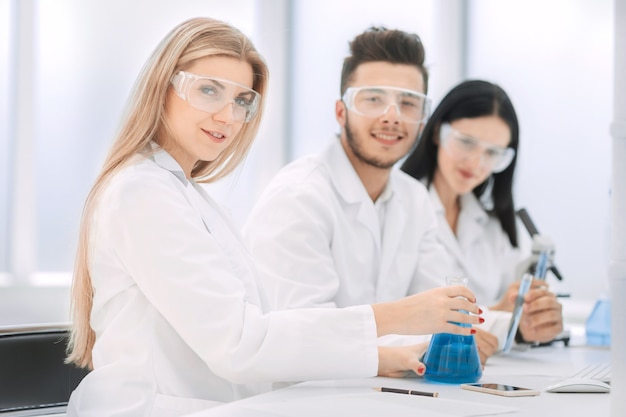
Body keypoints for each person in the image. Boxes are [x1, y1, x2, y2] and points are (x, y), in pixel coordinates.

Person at [65, 18, 482, 417]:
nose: (228, 116)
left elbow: (262, 333)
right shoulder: (143, 192)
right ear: (162, 88)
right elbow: (239, 345)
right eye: (209, 91)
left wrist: (382, 355)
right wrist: (396, 318)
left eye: (241, 101)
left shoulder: (187, 194)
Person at [242, 27, 488, 354]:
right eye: (373, 99)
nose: (392, 117)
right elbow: (303, 334)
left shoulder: (414, 199)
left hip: (377, 392)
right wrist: (411, 337)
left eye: (408, 103)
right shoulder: (299, 197)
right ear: (341, 112)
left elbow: (440, 310)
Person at [400, 79, 563, 348]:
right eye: (466, 142)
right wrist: (498, 315)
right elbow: (401, 314)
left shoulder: (491, 226)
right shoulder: (401, 208)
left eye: (492, 152)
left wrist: (534, 316)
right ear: (438, 132)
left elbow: (510, 312)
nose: (476, 163)